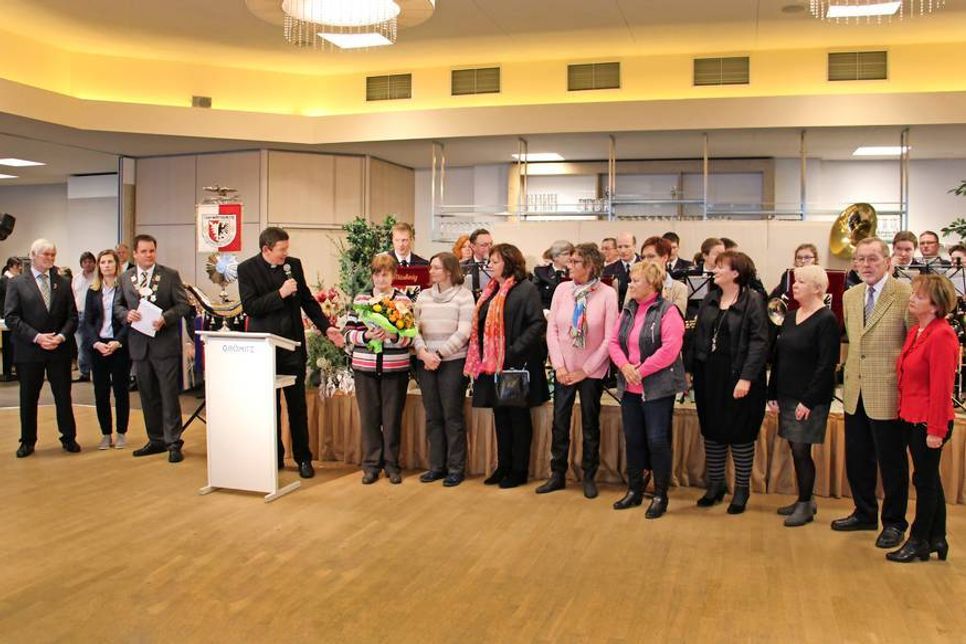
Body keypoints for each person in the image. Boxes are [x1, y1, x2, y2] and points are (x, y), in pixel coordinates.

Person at [238, 227, 344, 479]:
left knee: (297, 405)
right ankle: (273, 456)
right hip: (265, 348)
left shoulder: (293, 265)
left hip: (293, 345)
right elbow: (251, 307)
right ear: (266, 249)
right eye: (281, 250)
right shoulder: (246, 269)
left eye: (287, 249)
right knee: (269, 406)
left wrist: (326, 327)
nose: (286, 254)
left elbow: (307, 300)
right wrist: (280, 294)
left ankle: (303, 458)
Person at [832, 237, 913, 550]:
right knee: (858, 458)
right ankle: (864, 512)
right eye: (860, 259)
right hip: (855, 390)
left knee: (892, 462)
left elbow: (913, 343)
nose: (865, 265)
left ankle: (894, 522)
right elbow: (855, 343)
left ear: (887, 262)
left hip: (888, 391)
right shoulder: (850, 295)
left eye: (872, 259)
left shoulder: (904, 294)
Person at [687, 251, 768, 514]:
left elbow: (759, 343)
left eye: (720, 267)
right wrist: (689, 369)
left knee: (741, 434)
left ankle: (741, 489)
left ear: (735, 273)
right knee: (712, 429)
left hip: (739, 377)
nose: (714, 270)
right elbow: (698, 335)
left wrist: (746, 378)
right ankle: (716, 485)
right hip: (709, 375)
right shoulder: (710, 298)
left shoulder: (753, 301)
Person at [537, 243, 617, 499]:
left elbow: (609, 338)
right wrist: (559, 366)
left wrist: (586, 369)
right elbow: (552, 330)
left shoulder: (607, 294)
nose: (569, 266)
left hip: (591, 370)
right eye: (569, 261)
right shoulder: (562, 289)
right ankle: (557, 474)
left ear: (590, 266)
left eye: (575, 262)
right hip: (564, 368)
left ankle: (589, 475)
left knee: (590, 424)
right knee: (559, 422)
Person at [465, 243, 549, 489]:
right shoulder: (491, 289)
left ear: (510, 263)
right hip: (492, 365)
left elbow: (536, 324)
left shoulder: (526, 289)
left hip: (516, 364)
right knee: (500, 417)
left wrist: (511, 352)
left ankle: (519, 470)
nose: (490, 265)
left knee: (517, 418)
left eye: (495, 261)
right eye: (489, 261)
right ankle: (503, 466)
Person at [888, 274, 958, 563]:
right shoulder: (918, 330)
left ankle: (918, 540)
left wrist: (936, 429)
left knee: (925, 481)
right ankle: (937, 537)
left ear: (936, 304)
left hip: (930, 420)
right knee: (928, 478)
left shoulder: (942, 335)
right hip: (911, 415)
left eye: (919, 296)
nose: (912, 299)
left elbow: (942, 388)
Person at [609, 262, 686, 518]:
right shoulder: (628, 308)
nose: (630, 284)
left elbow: (670, 350)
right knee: (633, 440)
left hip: (657, 389)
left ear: (652, 284)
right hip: (629, 387)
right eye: (630, 280)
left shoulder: (668, 310)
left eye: (636, 281)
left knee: (656, 441)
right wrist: (624, 366)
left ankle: (660, 495)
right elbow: (613, 342)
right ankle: (634, 490)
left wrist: (640, 371)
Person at [766, 265, 840, 527]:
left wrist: (808, 401)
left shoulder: (826, 319)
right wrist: (772, 392)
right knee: (795, 447)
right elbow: (778, 357)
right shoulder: (789, 317)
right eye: (795, 281)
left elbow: (826, 365)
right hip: (787, 393)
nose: (794, 286)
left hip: (810, 398)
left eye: (801, 282)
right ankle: (804, 499)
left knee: (800, 449)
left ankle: (805, 503)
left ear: (818, 288)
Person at [115, 234, 191, 463]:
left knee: (168, 395)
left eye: (152, 251)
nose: (149, 255)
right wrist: (126, 314)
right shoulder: (125, 278)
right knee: (148, 395)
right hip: (139, 346)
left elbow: (183, 305)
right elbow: (117, 306)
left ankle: (173, 442)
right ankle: (156, 439)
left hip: (164, 344)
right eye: (144, 251)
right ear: (135, 254)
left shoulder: (169, 275)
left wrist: (166, 318)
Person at [4, 239, 79, 457]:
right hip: (30, 350)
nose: (50, 258)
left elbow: (72, 317)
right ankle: (27, 441)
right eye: (46, 254)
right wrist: (37, 337)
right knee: (28, 397)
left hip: (58, 349)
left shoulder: (63, 283)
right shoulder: (17, 283)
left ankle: (68, 437)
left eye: (53, 254)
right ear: (33, 255)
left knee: (63, 396)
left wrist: (61, 337)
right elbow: (11, 317)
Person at [344, 255, 414, 484]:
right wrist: (366, 335)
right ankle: (371, 465)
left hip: (395, 368)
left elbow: (410, 338)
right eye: (377, 274)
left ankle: (392, 465)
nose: (381, 279)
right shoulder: (361, 299)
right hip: (365, 368)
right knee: (370, 419)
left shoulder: (403, 300)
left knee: (392, 419)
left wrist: (393, 335)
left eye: (385, 274)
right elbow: (348, 333)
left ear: (394, 275)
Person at [413, 252, 475, 487]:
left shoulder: (464, 296)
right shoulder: (423, 296)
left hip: (452, 361)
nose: (431, 271)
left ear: (449, 271)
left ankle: (456, 468)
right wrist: (423, 352)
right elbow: (413, 328)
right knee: (433, 416)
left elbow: (464, 331)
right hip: (426, 361)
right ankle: (436, 466)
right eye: (431, 267)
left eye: (436, 268)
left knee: (452, 416)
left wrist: (439, 354)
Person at [83, 249, 131, 449]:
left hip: (119, 346)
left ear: (116, 265)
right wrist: (96, 342)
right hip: (99, 346)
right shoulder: (93, 290)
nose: (106, 265)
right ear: (99, 266)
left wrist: (118, 341)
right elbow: (87, 321)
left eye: (110, 262)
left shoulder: (125, 289)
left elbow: (131, 319)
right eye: (102, 262)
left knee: (121, 391)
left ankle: (121, 433)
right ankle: (105, 434)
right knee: (101, 393)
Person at [640, 236, 687, 315]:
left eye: (651, 256)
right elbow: (627, 317)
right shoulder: (635, 285)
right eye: (643, 257)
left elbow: (676, 317)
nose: (645, 261)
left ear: (665, 257)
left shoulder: (679, 288)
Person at [71, 251, 96, 382]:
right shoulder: (76, 278)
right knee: (81, 344)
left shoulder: (98, 277)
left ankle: (97, 372)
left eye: (90, 261)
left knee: (95, 343)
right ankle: (84, 372)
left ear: (94, 263)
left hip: (94, 315)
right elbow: (73, 295)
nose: (87, 264)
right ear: (81, 264)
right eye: (85, 262)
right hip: (79, 313)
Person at [602, 232, 640, 308]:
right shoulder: (607, 270)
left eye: (627, 246)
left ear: (634, 246)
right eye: (619, 247)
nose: (623, 250)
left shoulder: (646, 267)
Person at [532, 240, 573, 309]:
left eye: (570, 254)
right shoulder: (541, 273)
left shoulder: (573, 272)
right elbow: (534, 296)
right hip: (547, 311)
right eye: (566, 254)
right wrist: (545, 311)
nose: (570, 257)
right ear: (555, 257)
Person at [1, 256, 23, 381]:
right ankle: (7, 371)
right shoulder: (4, 280)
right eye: (17, 266)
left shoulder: (15, 280)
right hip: (6, 317)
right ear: (11, 266)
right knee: (8, 345)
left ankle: (14, 370)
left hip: (15, 317)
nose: (20, 268)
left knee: (14, 344)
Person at [461, 228, 494, 298]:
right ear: (473, 246)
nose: (490, 247)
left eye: (491, 244)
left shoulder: (498, 266)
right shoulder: (461, 267)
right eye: (484, 245)